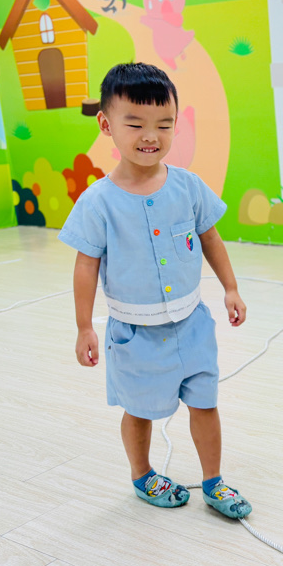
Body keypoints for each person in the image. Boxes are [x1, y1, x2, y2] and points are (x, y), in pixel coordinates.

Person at [58, 62, 252, 518]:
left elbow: (210, 237)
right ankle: (142, 474)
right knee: (140, 410)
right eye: (135, 124)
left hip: (192, 324)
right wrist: (84, 327)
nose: (151, 136)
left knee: (205, 403)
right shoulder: (97, 201)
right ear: (106, 123)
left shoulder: (188, 186)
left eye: (164, 125)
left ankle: (213, 482)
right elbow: (85, 266)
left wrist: (230, 288)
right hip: (134, 333)